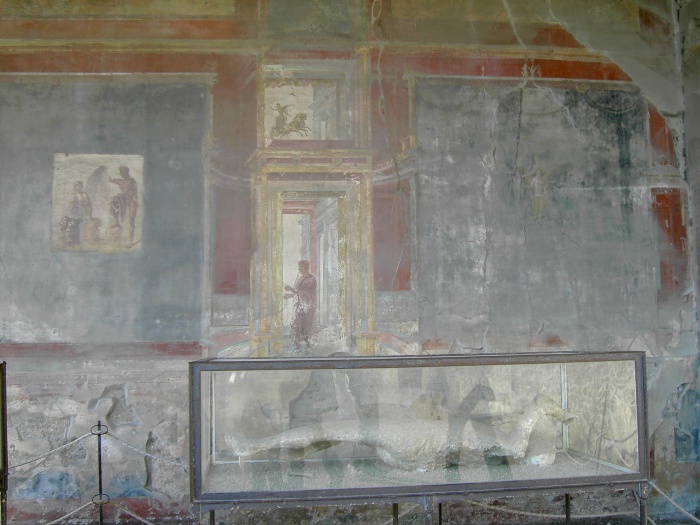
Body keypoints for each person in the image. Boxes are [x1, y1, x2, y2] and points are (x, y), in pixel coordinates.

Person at [284, 260, 317, 349]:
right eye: (299, 267)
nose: (299, 269)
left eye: (301, 267)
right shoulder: (300, 278)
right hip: (298, 305)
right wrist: (289, 296)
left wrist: (291, 289)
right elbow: (297, 293)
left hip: (307, 307)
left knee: (305, 326)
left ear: (307, 267)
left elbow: (306, 293)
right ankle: (297, 345)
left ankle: (307, 347)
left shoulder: (311, 279)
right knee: (295, 324)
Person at [109, 166, 138, 242]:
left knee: (131, 221)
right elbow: (112, 180)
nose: (120, 174)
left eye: (122, 172)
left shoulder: (131, 181)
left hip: (132, 201)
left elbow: (126, 191)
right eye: (120, 172)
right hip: (125, 200)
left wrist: (119, 195)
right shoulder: (121, 181)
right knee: (114, 202)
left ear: (126, 172)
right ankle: (117, 222)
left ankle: (131, 240)